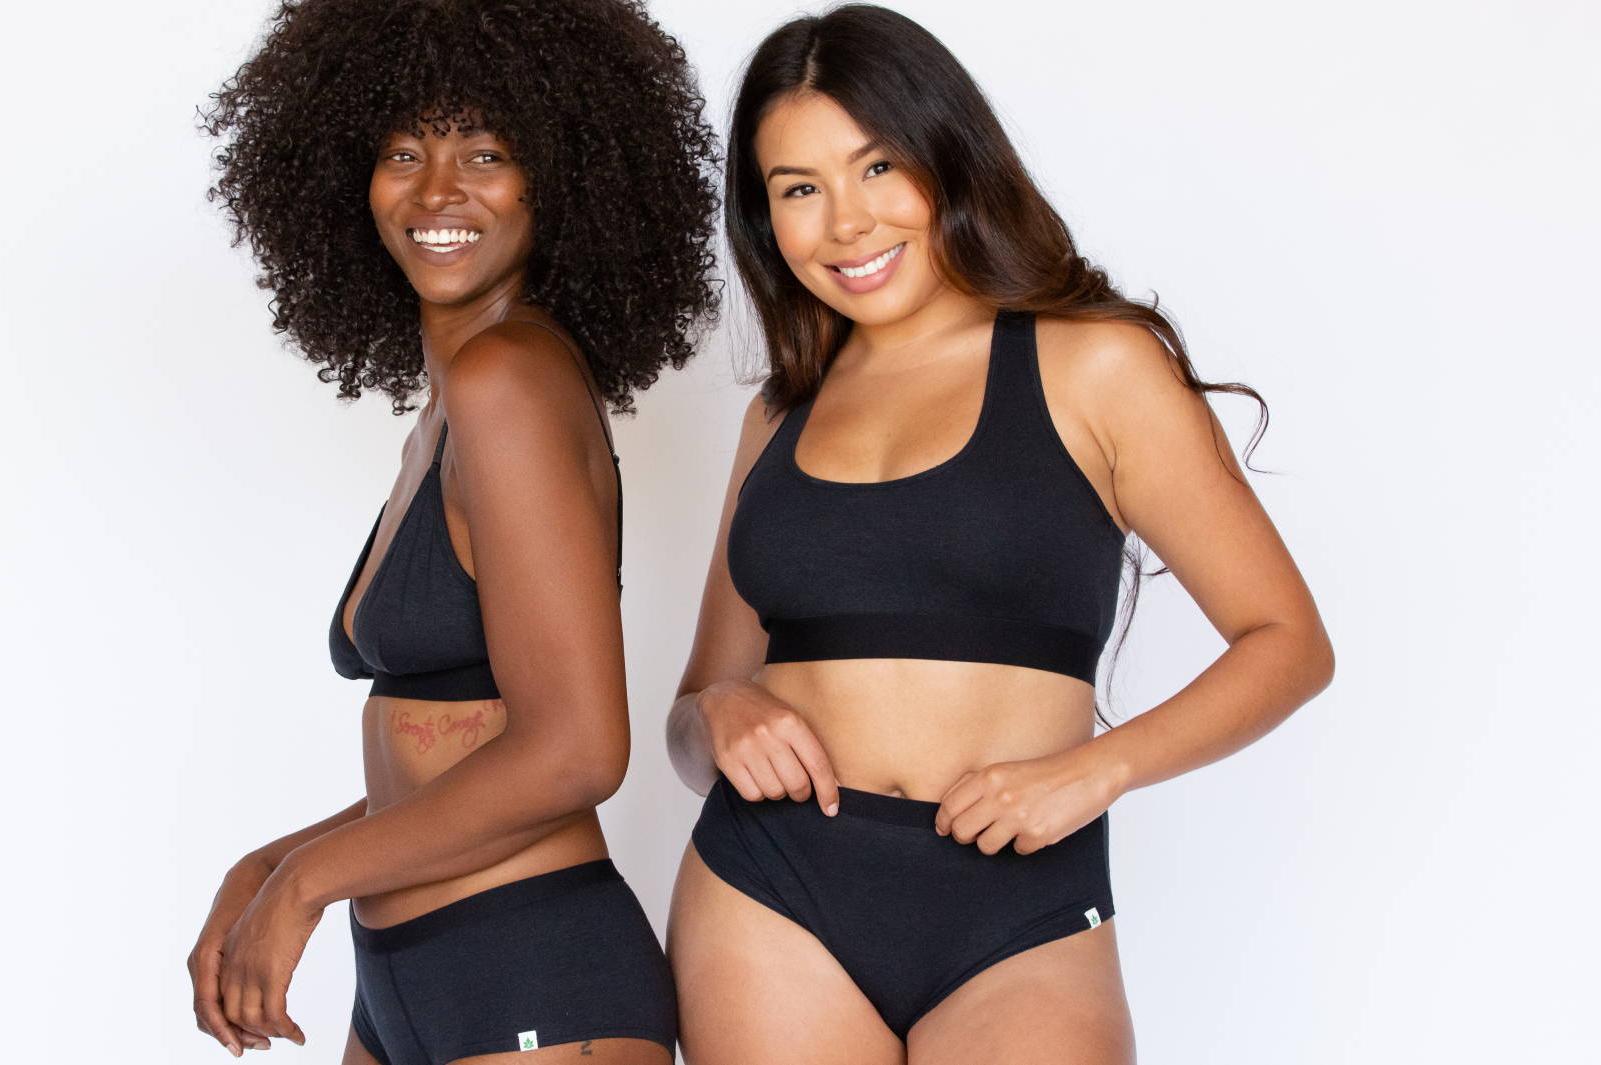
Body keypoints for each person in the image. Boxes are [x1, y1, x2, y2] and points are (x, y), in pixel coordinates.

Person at [663, 5, 1334, 1063]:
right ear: (764, 217)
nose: (845, 223)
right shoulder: (778, 416)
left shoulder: (1094, 365)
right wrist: (720, 716)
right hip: (769, 894)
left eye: (876, 167)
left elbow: (1287, 643)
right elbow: (692, 712)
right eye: (799, 189)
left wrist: (1096, 769)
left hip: (1021, 907)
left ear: (947, 156)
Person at [188, 1, 720, 1061]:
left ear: (558, 177)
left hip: (528, 969)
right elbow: (443, 768)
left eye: (485, 151)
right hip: (407, 977)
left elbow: (574, 750)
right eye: (402, 150)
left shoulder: (505, 379)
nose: (437, 191)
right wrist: (263, 868)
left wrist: (304, 887)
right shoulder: (447, 406)